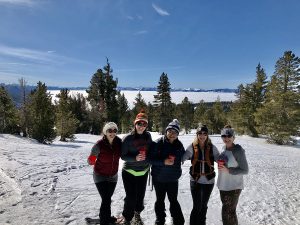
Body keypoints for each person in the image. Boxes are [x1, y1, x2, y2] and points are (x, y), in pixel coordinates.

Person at [119, 110, 153, 225]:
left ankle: (137, 214)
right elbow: (123, 156)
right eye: (139, 123)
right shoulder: (127, 138)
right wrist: (135, 158)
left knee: (140, 197)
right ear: (135, 124)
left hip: (143, 172)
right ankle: (127, 218)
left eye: (144, 124)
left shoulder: (148, 137)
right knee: (131, 197)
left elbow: (150, 151)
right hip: (129, 172)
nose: (141, 126)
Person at [149, 119, 185, 225]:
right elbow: (150, 160)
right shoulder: (157, 143)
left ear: (178, 134)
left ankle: (178, 220)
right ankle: (160, 220)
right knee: (160, 200)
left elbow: (185, 156)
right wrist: (163, 162)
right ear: (166, 131)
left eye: (175, 132)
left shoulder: (179, 145)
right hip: (158, 178)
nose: (172, 134)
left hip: (173, 179)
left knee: (173, 200)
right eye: (170, 131)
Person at [182, 124, 220, 225]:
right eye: (200, 133)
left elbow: (219, 158)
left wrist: (225, 161)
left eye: (204, 133)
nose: (202, 136)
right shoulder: (192, 147)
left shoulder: (212, 147)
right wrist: (177, 159)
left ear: (207, 135)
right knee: (197, 205)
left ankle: (202, 222)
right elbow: (183, 157)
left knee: (204, 205)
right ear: (197, 134)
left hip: (209, 180)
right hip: (195, 180)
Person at [87, 122, 122, 225]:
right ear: (105, 132)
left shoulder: (119, 143)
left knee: (107, 199)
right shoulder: (99, 145)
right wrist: (91, 160)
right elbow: (91, 159)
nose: (112, 133)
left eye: (114, 130)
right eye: (109, 130)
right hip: (100, 175)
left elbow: (127, 151)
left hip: (113, 176)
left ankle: (106, 217)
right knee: (106, 199)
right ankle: (104, 221)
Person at [217, 125, 249, 225]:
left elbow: (245, 170)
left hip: (234, 187)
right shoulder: (223, 148)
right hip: (223, 185)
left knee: (227, 213)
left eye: (229, 136)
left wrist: (229, 170)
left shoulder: (238, 151)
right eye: (224, 136)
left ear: (233, 137)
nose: (226, 138)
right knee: (230, 212)